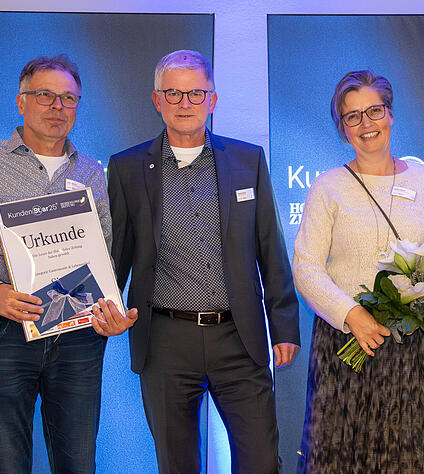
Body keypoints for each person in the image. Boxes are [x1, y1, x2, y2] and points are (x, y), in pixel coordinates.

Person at [0, 55, 135, 473]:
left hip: (77, 336)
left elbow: (103, 253)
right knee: (7, 464)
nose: (57, 107)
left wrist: (109, 309)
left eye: (68, 98)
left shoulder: (93, 171)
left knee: (78, 464)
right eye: (45, 95)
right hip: (1, 333)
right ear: (21, 101)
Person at [106, 50, 300, 474]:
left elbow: (270, 248)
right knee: (177, 465)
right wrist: (103, 310)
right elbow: (117, 255)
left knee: (261, 463)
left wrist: (284, 325)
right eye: (173, 93)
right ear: (157, 100)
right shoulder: (126, 167)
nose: (185, 103)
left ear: (212, 100)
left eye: (196, 93)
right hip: (164, 341)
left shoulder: (247, 160)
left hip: (239, 338)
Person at [292, 70, 424, 473]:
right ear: (342, 128)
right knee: (342, 459)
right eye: (352, 116)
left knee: (412, 459)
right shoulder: (328, 187)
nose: (366, 124)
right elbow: (306, 267)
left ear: (390, 114)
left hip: (413, 348)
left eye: (374, 111)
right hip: (346, 348)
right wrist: (352, 314)